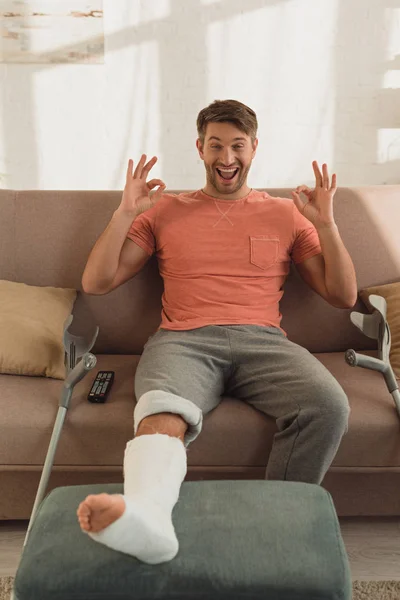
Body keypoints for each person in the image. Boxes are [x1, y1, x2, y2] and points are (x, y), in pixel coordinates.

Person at [76, 99, 357, 564]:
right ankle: (148, 523)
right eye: (216, 146)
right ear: (200, 149)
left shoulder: (287, 214)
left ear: (254, 148)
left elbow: (342, 295)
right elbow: (96, 282)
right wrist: (124, 212)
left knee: (328, 406)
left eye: (237, 146)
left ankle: (275, 524)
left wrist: (326, 224)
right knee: (161, 415)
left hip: (263, 342)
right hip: (184, 340)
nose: (227, 158)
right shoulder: (163, 210)